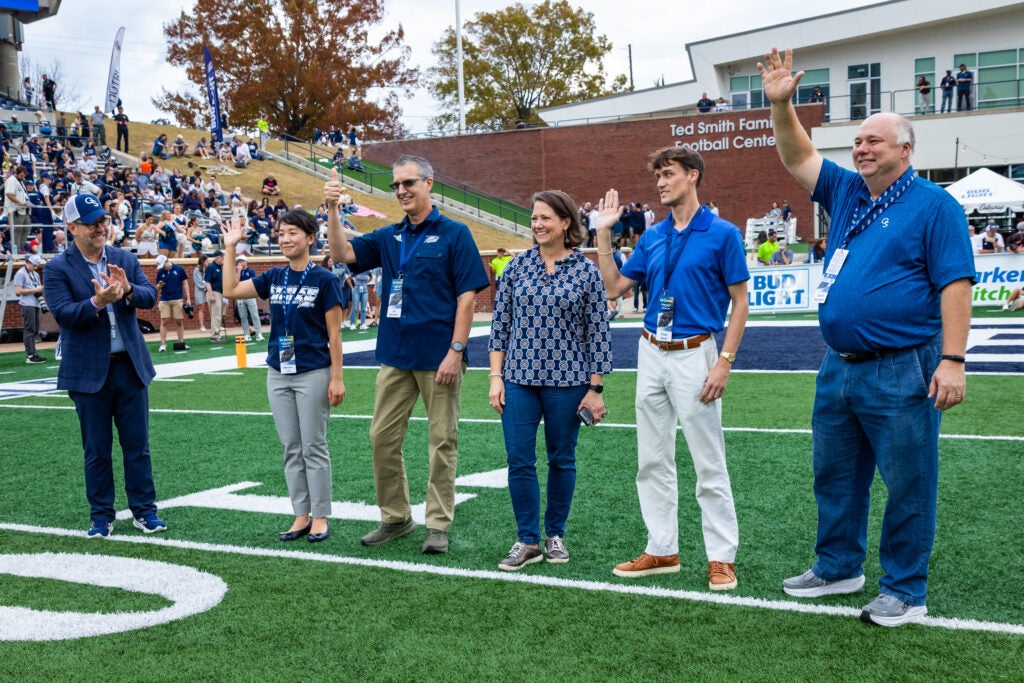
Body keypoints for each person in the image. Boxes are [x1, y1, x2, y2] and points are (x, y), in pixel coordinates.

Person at [760, 47, 974, 626]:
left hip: (902, 364)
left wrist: (953, 359)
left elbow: (956, 283)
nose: (861, 149)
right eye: (857, 142)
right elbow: (797, 154)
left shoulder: (935, 206)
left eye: (874, 141)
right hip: (839, 364)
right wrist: (781, 106)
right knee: (834, 474)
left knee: (908, 482)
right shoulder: (850, 191)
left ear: (905, 150)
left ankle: (905, 590)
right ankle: (838, 567)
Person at [594, 145, 750, 591]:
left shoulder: (722, 234)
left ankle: (721, 557)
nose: (660, 183)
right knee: (651, 458)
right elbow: (614, 287)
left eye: (668, 174)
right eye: (657, 176)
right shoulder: (653, 236)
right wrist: (603, 234)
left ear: (693, 175)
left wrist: (724, 363)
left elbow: (740, 303)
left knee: (708, 461)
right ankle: (662, 548)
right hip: (650, 351)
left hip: (696, 353)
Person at [324, 158, 489, 555]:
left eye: (408, 183)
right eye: (396, 185)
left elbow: (467, 298)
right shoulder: (389, 236)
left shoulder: (455, 233)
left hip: (439, 357)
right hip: (395, 355)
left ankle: (438, 524)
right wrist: (331, 208)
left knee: (442, 441)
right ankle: (396, 518)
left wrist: (456, 351)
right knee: (381, 438)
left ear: (429, 183)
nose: (401, 191)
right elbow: (342, 252)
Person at [488, 190, 611, 571]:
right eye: (534, 218)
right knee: (519, 459)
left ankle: (555, 534)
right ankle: (527, 540)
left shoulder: (586, 271)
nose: (538, 225)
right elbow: (499, 327)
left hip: (569, 381)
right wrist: (495, 377)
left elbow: (598, 333)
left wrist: (595, 389)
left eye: (545, 218)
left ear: (566, 222)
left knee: (562, 459)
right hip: (518, 379)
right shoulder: (517, 267)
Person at [42, 193, 167, 539]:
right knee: (96, 450)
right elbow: (64, 315)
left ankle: (145, 511)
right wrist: (97, 301)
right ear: (72, 228)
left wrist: (128, 290)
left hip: (129, 367)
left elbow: (149, 296)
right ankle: (101, 515)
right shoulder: (56, 268)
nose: (100, 227)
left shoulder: (124, 257)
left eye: (102, 221)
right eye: (91, 223)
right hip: (87, 372)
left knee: (137, 446)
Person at [222, 211, 345, 543]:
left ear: (310, 238)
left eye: (293, 233)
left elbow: (335, 335)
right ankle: (301, 514)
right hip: (278, 372)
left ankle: (320, 515)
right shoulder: (274, 276)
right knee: (291, 446)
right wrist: (230, 247)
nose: (285, 239)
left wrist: (337, 378)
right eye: (281, 233)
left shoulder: (325, 280)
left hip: (313, 371)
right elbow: (230, 289)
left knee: (313, 446)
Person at [13, 254, 48, 363]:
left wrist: (41, 300)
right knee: (29, 329)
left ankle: (33, 353)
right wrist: (35, 289)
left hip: (35, 303)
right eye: (34, 265)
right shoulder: (20, 273)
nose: (36, 268)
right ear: (27, 263)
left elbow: (37, 290)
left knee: (34, 330)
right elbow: (18, 291)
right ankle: (30, 355)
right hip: (27, 304)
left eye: (37, 265)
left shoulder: (35, 274)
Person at [154, 254, 192, 353]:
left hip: (177, 298)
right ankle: (163, 344)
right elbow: (157, 288)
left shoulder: (179, 269)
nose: (162, 267)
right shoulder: (160, 272)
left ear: (167, 261)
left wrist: (188, 298)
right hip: (164, 299)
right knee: (164, 321)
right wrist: (160, 285)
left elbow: (185, 283)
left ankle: (181, 343)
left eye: (163, 265)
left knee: (179, 321)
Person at [234, 255, 264, 341]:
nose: (239, 263)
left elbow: (251, 283)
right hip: (240, 296)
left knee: (254, 315)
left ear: (245, 261)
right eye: (238, 261)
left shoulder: (251, 271)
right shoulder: (237, 272)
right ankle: (247, 334)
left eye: (241, 261)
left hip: (249, 296)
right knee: (243, 316)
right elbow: (236, 282)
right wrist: (238, 271)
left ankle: (259, 333)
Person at [4, 165, 31, 255]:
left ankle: (21, 247)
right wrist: (20, 203)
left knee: (27, 227)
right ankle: (16, 250)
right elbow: (9, 194)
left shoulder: (21, 181)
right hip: (15, 210)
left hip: (24, 209)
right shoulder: (11, 180)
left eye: (24, 176)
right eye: (21, 176)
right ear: (17, 173)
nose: (22, 177)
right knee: (17, 230)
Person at [205, 250, 228, 342]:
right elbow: (207, 282)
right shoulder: (211, 267)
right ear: (218, 257)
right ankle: (215, 336)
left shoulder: (219, 267)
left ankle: (216, 334)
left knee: (218, 314)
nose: (223, 259)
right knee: (216, 315)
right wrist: (211, 294)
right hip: (214, 292)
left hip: (219, 293)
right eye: (222, 257)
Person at [193, 253, 209, 331]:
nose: (208, 262)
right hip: (200, 291)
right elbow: (198, 282)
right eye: (207, 261)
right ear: (203, 261)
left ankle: (214, 324)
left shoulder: (207, 269)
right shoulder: (196, 270)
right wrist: (206, 288)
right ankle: (202, 325)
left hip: (207, 290)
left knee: (209, 307)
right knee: (201, 307)